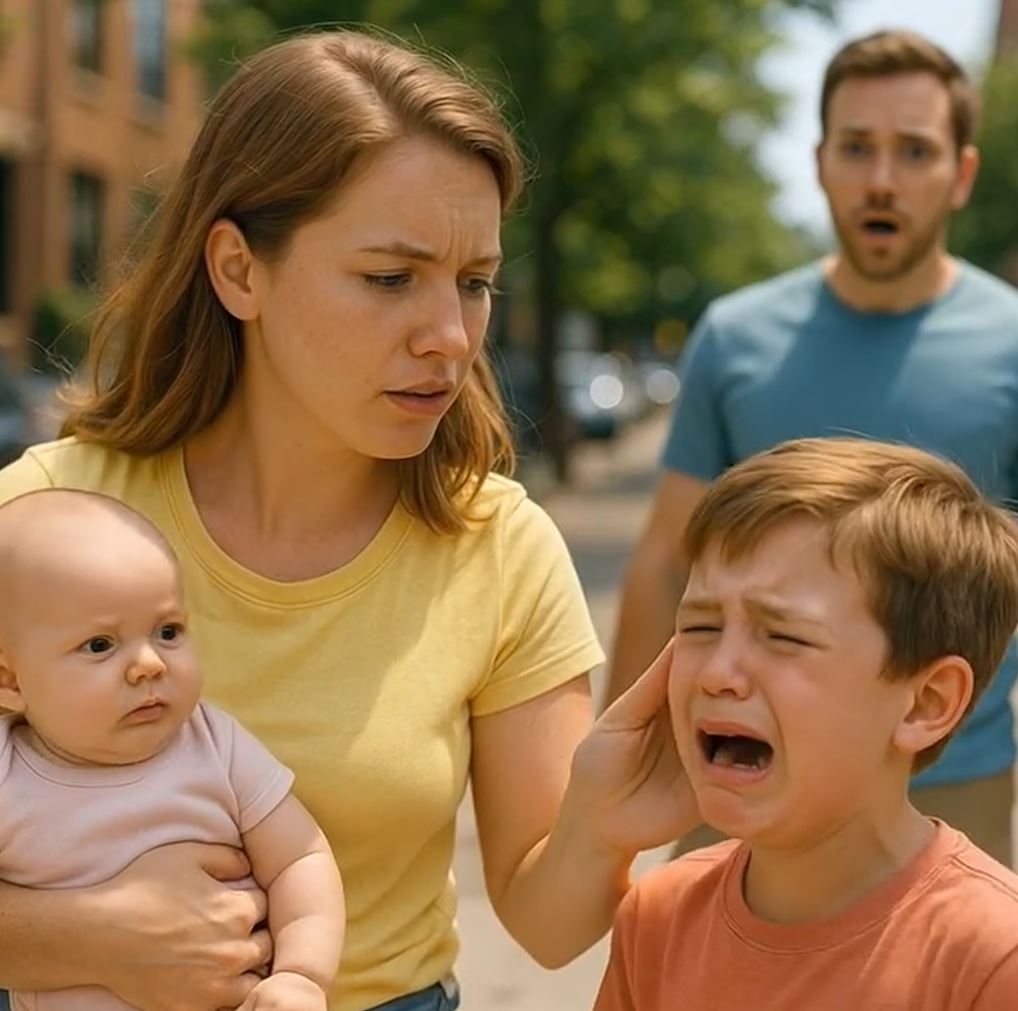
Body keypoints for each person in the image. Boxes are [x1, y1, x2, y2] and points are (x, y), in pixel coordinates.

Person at [0, 29, 692, 1011]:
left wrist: (606, 821)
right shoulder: (35, 518)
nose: (449, 337)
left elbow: (543, 927)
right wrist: (91, 938)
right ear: (239, 270)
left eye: (474, 282)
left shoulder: (499, 546)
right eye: (388, 278)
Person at [607, 28, 1018, 864]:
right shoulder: (735, 336)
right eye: (858, 148)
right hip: (744, 767)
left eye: (914, 151)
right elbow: (663, 562)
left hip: (952, 778)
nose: (881, 180)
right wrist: (624, 767)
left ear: (961, 174)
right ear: (821, 160)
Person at [595, 437, 1018, 1010]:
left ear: (925, 703)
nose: (719, 673)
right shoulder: (658, 917)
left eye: (784, 637)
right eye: (699, 627)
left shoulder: (992, 956)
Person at [0, 489, 345, 1011]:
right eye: (100, 645)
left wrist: (301, 975)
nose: (149, 664)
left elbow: (301, 856)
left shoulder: (215, 745)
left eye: (168, 631)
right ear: (9, 678)